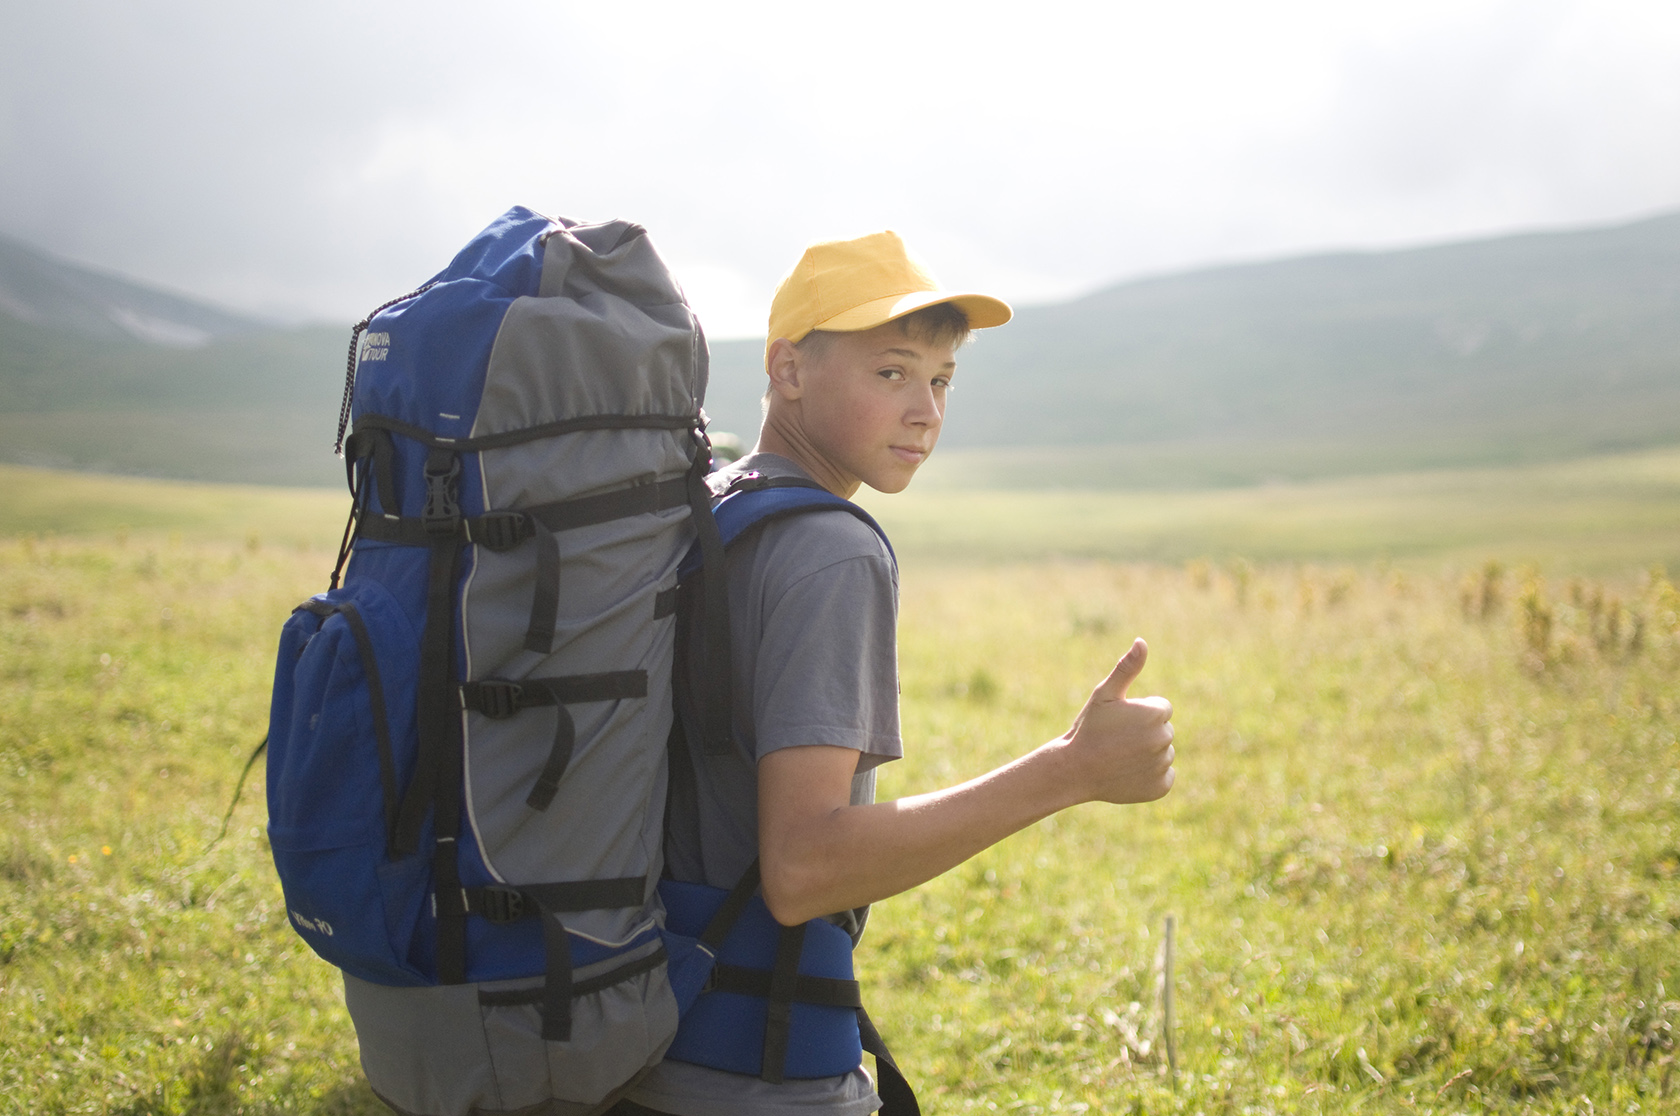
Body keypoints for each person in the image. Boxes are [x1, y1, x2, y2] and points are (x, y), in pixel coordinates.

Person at [617, 231, 1176, 1116]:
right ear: (788, 371)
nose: (926, 410)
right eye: (892, 372)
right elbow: (802, 867)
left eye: (942, 379)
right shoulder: (832, 552)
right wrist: (1070, 768)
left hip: (635, 1041)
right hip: (756, 1069)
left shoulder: (713, 515)